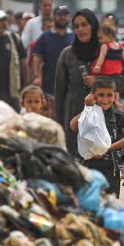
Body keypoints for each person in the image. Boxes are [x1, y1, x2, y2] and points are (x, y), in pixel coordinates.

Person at [70, 76, 124, 196]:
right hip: (87, 167)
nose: (105, 99)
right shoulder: (87, 113)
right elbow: (73, 126)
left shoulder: (119, 116)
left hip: (110, 169)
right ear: (92, 95)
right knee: (88, 201)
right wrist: (87, 108)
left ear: (115, 96)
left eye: (109, 95)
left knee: (110, 202)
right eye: (101, 95)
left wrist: (108, 149)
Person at [54, 10, 100, 157]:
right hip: (73, 111)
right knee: (74, 156)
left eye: (84, 25)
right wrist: (60, 123)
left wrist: (99, 82)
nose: (80, 29)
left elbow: (122, 79)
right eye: (76, 26)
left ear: (93, 26)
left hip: (101, 111)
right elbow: (59, 92)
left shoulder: (105, 52)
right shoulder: (67, 54)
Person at [30, 5, 74, 107]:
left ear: (69, 18)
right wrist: (36, 77)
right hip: (49, 85)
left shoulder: (74, 37)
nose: (62, 17)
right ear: (54, 16)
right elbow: (36, 59)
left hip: (70, 86)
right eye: (60, 15)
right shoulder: (45, 37)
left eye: (65, 15)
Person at [92, 20, 124, 96]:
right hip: (107, 73)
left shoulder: (116, 46)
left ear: (109, 36)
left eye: (101, 38)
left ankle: (115, 98)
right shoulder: (107, 45)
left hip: (115, 73)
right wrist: (98, 66)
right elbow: (101, 57)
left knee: (113, 88)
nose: (99, 41)